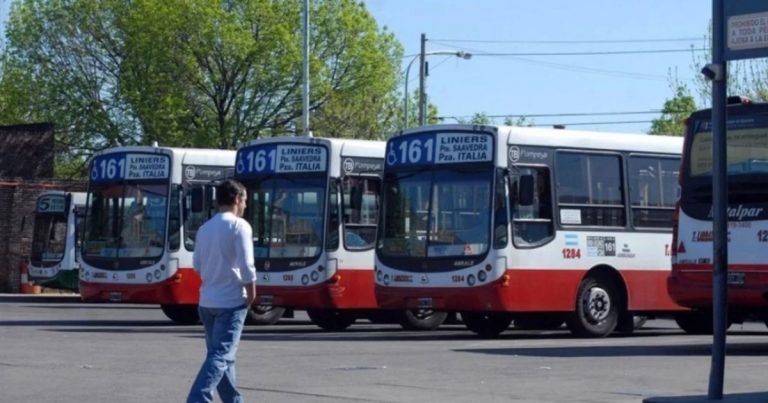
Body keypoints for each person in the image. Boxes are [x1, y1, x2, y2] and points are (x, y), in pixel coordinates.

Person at [187, 179, 257, 403]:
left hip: (207, 301)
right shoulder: (240, 226)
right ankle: (198, 398)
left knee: (223, 357)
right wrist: (252, 292)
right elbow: (247, 266)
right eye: (245, 200)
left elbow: (197, 265)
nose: (245, 205)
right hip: (231, 301)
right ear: (237, 199)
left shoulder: (204, 228)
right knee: (221, 355)